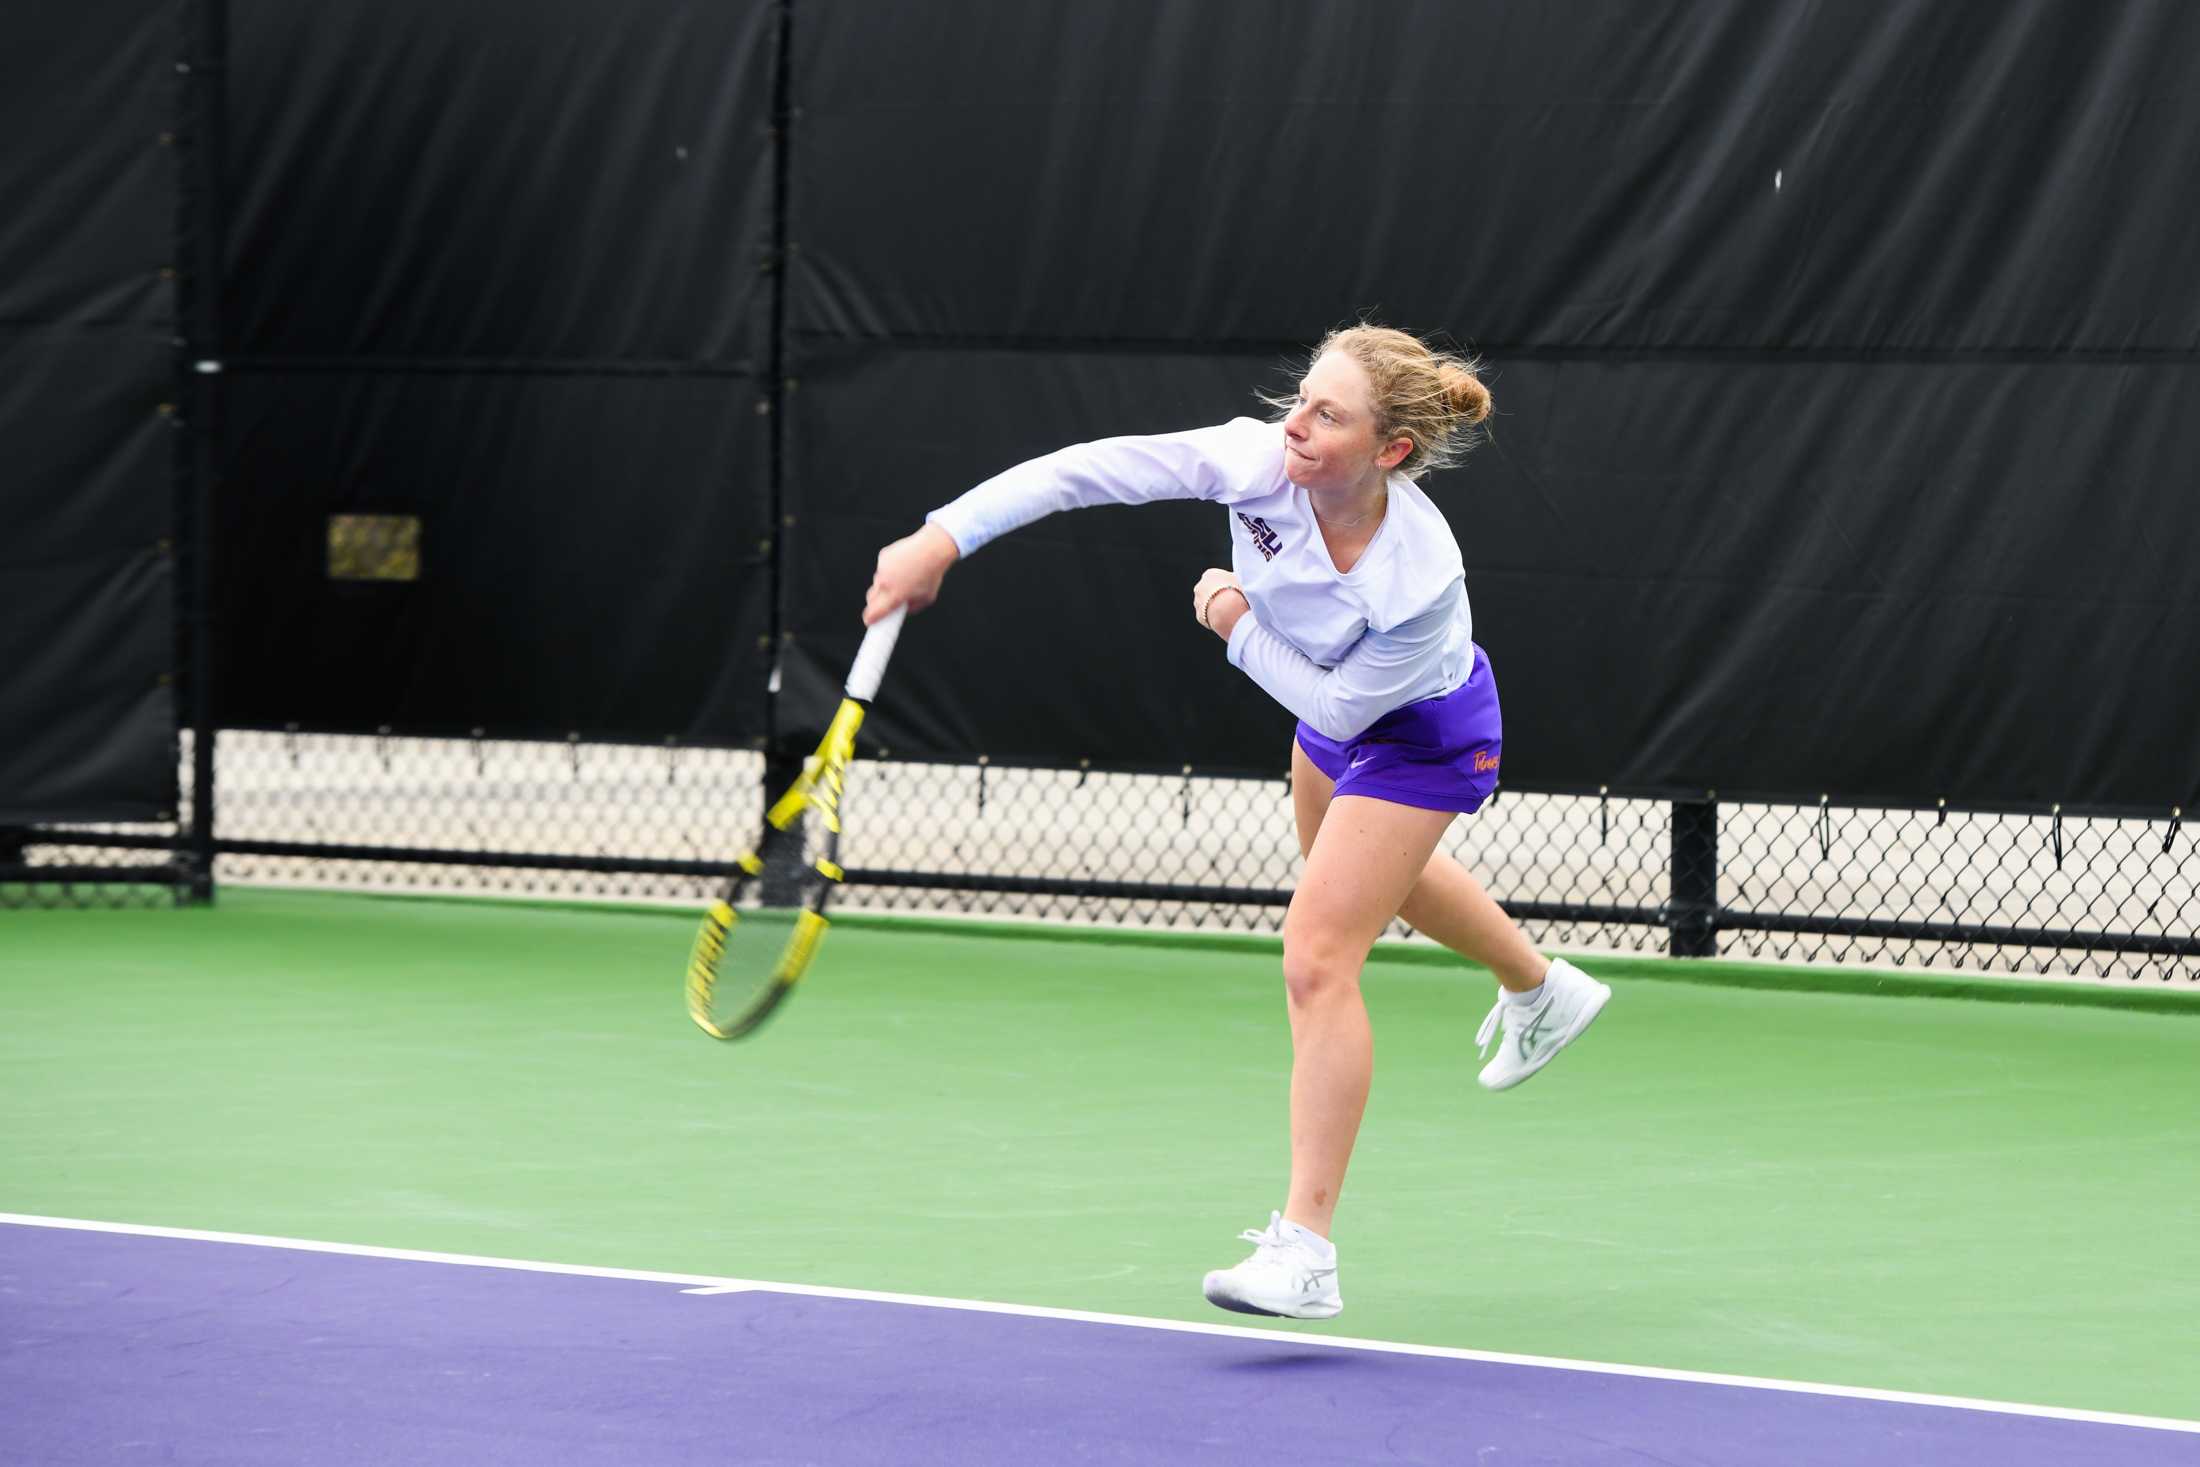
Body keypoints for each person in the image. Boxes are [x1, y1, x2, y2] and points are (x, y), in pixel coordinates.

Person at [863, 324, 1611, 1321]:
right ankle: (1540, 987)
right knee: (1354, 887)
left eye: (1326, 415)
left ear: (1389, 452)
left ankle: (1306, 1252)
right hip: (1328, 711)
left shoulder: (1416, 577)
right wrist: (941, 535)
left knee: (1316, 954)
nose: (1294, 425)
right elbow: (1086, 473)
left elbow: (1344, 709)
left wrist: (1231, 619)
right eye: (1298, 398)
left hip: (1420, 733)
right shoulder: (1254, 460)